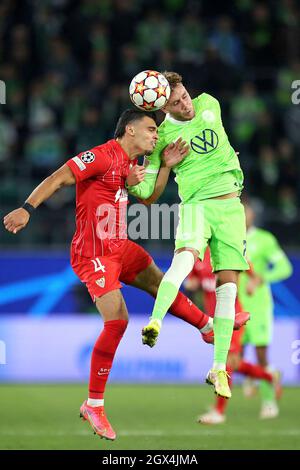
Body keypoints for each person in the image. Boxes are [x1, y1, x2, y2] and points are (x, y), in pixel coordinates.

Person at [3, 109, 232, 441]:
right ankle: (93, 404)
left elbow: (151, 199)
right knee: (118, 320)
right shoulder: (101, 155)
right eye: (151, 129)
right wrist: (27, 209)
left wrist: (164, 166)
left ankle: (207, 327)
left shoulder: (129, 165)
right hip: (93, 253)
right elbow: (58, 178)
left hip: (119, 245)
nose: (156, 135)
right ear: (130, 130)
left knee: (159, 281)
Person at [128, 71, 249, 399]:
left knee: (228, 287)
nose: (185, 105)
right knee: (182, 264)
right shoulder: (162, 137)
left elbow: (219, 145)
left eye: (184, 97)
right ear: (162, 107)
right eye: (175, 103)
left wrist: (231, 166)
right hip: (196, 206)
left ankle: (218, 368)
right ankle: (155, 321)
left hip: (231, 208)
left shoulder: (209, 103)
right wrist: (158, 166)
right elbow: (145, 193)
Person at [184, 248, 282, 424]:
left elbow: (252, 272)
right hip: (214, 319)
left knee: (227, 362)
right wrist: (191, 284)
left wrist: (253, 282)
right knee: (234, 363)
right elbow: (192, 283)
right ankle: (269, 377)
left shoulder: (228, 249)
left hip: (232, 317)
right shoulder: (198, 255)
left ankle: (219, 412)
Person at [238, 201, 293, 419]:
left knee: (261, 356)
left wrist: (261, 278)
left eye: (246, 211)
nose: (243, 215)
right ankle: (255, 376)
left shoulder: (264, 239)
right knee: (236, 357)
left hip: (258, 306)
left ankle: (269, 403)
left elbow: (284, 267)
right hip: (235, 305)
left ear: (252, 215)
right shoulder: (226, 238)